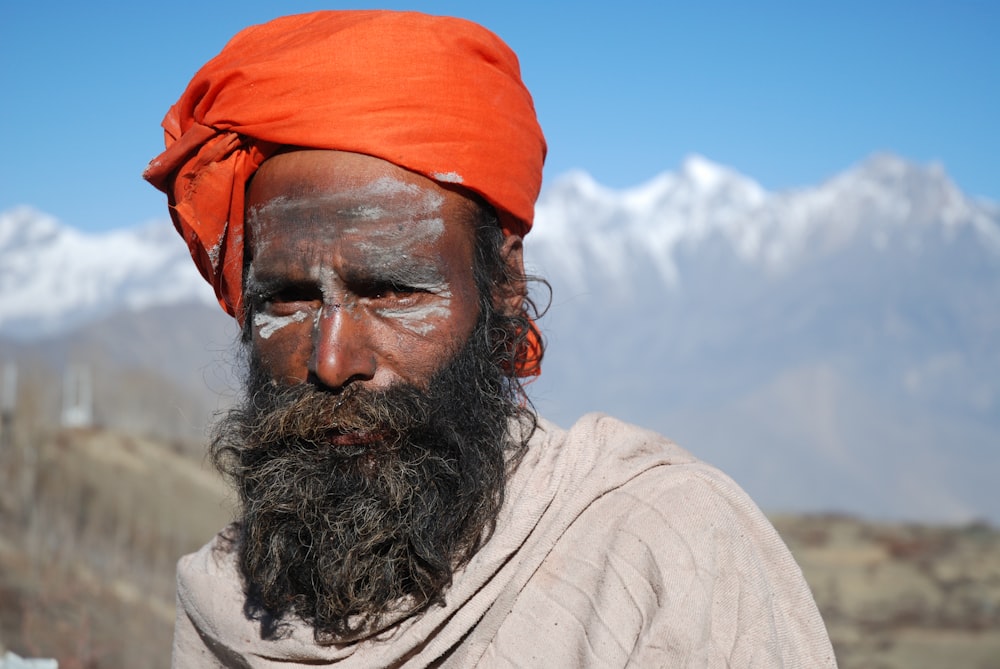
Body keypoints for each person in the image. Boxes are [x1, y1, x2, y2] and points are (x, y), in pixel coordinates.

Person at [145, 10, 837, 668]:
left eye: (392, 291)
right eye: (288, 299)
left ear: (503, 286)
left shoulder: (665, 548)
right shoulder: (227, 596)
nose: (332, 361)